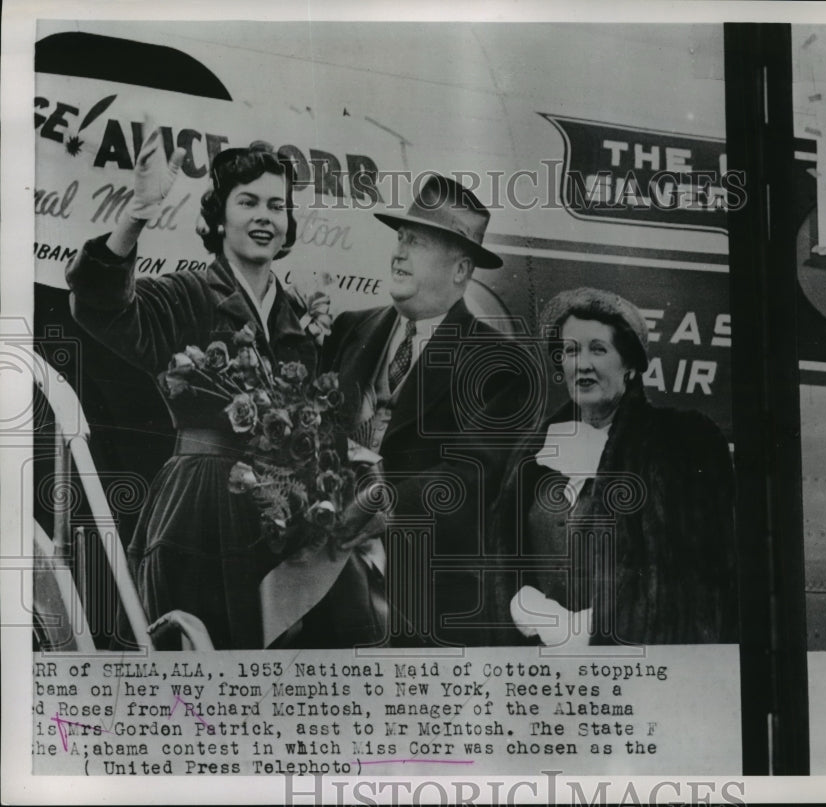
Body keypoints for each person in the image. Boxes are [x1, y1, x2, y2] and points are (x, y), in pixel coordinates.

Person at [65, 133, 375, 649]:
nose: (264, 217)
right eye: (247, 202)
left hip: (285, 518)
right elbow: (100, 303)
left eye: (276, 206)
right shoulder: (187, 292)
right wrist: (138, 213)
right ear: (220, 216)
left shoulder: (299, 317)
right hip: (202, 515)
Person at [315, 173, 534, 647]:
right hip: (320, 594)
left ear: (460, 270)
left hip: (423, 606)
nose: (399, 251)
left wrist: (384, 504)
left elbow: (471, 476)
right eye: (400, 237)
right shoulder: (348, 330)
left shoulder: (502, 364)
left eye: (418, 242)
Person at [486, 287, 738, 646]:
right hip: (540, 667)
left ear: (631, 364)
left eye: (598, 349)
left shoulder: (681, 443)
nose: (581, 363)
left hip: (632, 668)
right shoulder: (535, 450)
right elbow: (503, 559)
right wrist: (522, 607)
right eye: (570, 350)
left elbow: (694, 580)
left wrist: (590, 630)